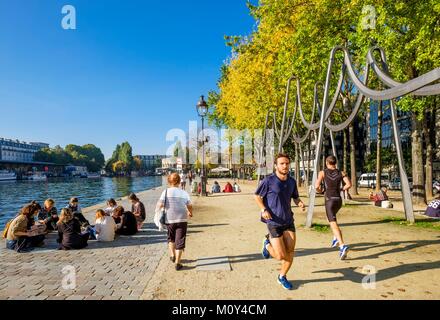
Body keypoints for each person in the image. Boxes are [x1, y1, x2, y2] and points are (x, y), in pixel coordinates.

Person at [255, 153, 305, 290]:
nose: (285, 166)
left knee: (290, 252)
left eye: (287, 163)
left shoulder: (292, 181)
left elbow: (295, 197)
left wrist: (299, 203)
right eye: (282, 163)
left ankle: (282, 276)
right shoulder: (268, 181)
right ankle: (267, 244)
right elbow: (257, 197)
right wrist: (263, 209)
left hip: (288, 220)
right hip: (273, 222)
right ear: (276, 166)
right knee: (280, 256)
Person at [315, 155, 352, 260]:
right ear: (335, 163)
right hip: (338, 200)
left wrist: (321, 191)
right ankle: (336, 237)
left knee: (333, 222)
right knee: (331, 218)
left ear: (327, 162)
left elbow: (317, 186)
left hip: (329, 200)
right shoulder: (342, 172)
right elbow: (349, 184)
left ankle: (342, 245)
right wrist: (340, 189)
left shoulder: (322, 173)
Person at [158, 173, 193, 271]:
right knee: (180, 240)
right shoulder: (183, 193)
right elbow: (189, 205)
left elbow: (160, 205)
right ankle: (177, 262)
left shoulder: (165, 192)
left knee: (171, 238)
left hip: (170, 219)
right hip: (182, 219)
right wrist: (190, 212)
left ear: (168, 181)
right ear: (179, 181)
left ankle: (172, 255)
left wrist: (162, 210)